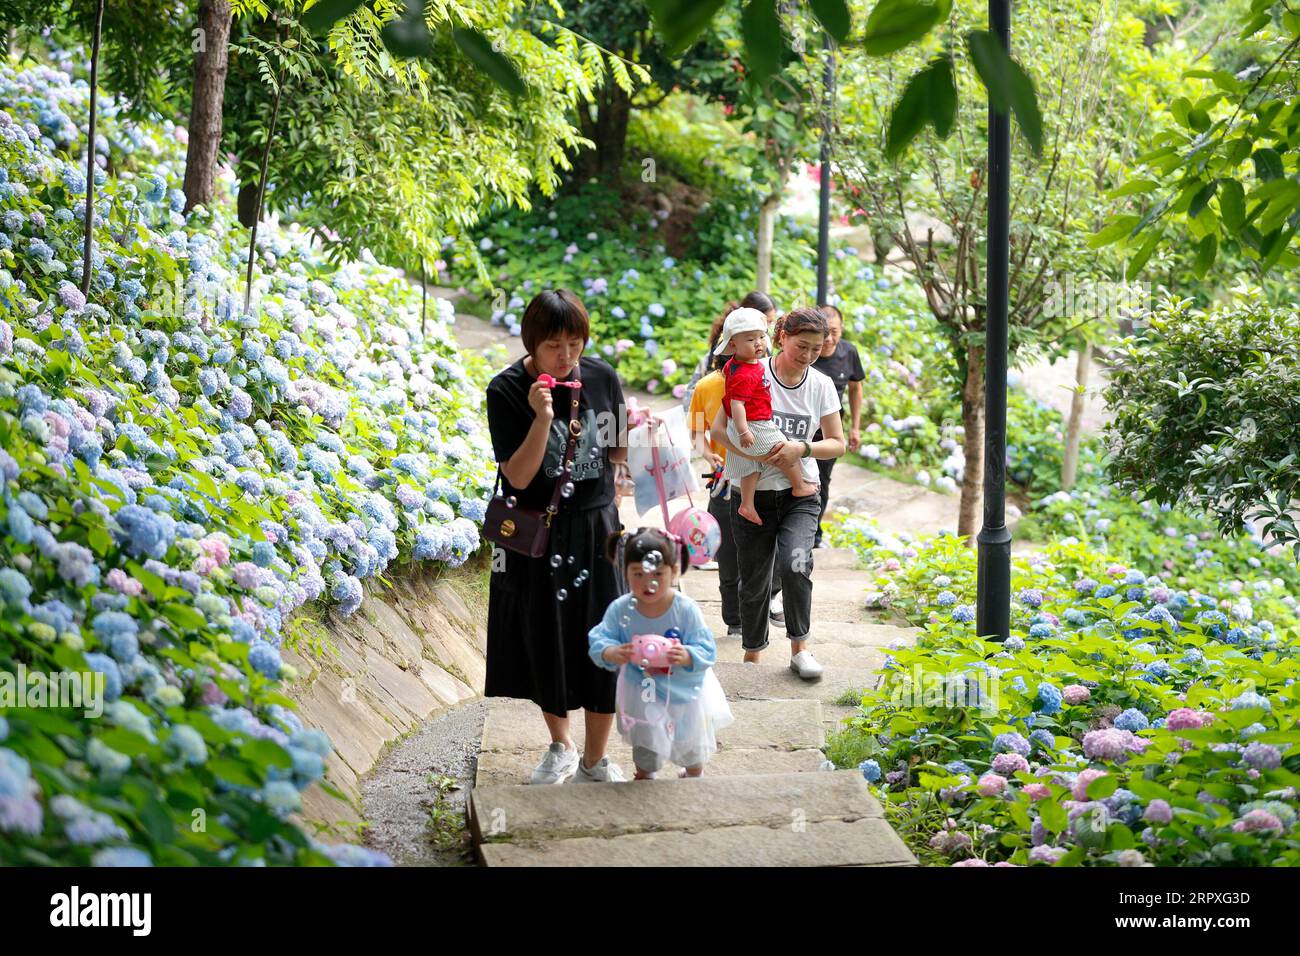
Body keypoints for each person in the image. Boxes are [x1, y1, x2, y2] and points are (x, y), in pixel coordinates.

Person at [484, 289, 630, 785]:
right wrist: (543, 417)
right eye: (553, 346)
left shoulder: (603, 377)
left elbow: (615, 454)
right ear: (532, 344)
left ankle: (596, 758)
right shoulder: (505, 390)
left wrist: (638, 436)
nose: (566, 356)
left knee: (606, 638)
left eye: (575, 343)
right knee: (545, 635)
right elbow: (519, 478)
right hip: (538, 534)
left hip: (598, 528)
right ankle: (560, 745)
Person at [709, 307, 845, 679]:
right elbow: (719, 430)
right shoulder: (749, 369)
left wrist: (801, 448)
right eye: (802, 346)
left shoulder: (820, 385)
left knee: (796, 564)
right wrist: (749, 454)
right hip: (753, 495)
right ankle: (753, 655)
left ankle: (801, 648)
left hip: (800, 495)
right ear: (781, 336)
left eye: (817, 348)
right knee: (752, 582)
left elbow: (838, 443)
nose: (808, 355)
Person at [588, 528, 733, 780]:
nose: (648, 582)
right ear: (624, 572)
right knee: (646, 743)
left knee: (691, 743)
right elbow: (599, 638)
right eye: (638, 574)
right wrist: (612, 651)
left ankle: (692, 776)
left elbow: (707, 648)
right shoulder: (621, 609)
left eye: (657, 574)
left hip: (686, 694)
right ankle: (645, 776)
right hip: (642, 692)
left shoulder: (685, 609)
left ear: (673, 572)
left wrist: (687, 655)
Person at [715, 308, 819, 525]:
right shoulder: (747, 373)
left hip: (747, 423)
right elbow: (737, 404)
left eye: (761, 336)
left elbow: (728, 380)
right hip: (754, 423)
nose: (758, 343)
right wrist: (744, 432)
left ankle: (747, 504)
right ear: (733, 343)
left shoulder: (737, 363)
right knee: (783, 449)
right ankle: (799, 486)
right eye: (750, 339)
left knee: (751, 467)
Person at [687, 337, 741, 638]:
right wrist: (709, 454)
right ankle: (735, 620)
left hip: (764, 481)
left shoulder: (768, 381)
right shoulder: (706, 386)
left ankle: (761, 603)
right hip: (722, 482)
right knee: (728, 556)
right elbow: (696, 431)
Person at [811, 304, 865, 548]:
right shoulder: (807, 354)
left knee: (821, 480)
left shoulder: (848, 352)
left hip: (830, 431)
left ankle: (814, 533)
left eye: (836, 332)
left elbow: (855, 388)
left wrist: (855, 427)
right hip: (803, 427)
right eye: (825, 332)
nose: (830, 339)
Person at [680, 291, 777, 411]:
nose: (759, 342)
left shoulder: (758, 345)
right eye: (766, 321)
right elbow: (699, 419)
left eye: (761, 336)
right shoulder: (719, 386)